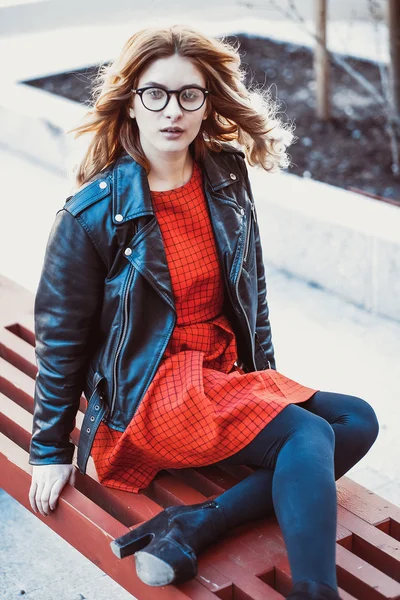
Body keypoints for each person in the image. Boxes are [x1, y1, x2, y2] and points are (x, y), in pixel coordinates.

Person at [28, 24, 379, 600]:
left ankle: (198, 523)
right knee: (306, 433)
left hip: (215, 368)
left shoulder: (225, 175)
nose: (174, 110)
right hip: (146, 390)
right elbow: (60, 338)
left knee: (356, 420)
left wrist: (264, 381)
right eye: (156, 94)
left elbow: (252, 291)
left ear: (208, 101)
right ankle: (316, 592)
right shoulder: (92, 215)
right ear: (131, 102)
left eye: (190, 94)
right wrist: (47, 449)